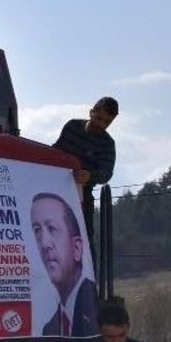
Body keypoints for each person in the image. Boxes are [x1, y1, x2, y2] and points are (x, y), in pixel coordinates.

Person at [53, 97, 118, 254]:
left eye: (107, 122)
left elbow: (106, 173)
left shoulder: (107, 144)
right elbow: (56, 150)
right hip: (55, 187)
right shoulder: (71, 126)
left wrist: (89, 176)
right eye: (99, 118)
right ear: (91, 112)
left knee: (84, 239)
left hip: (83, 195)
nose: (101, 124)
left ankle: (91, 275)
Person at [31, 192, 99, 337]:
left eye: (52, 228)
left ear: (77, 248)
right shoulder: (49, 329)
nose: (44, 244)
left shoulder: (98, 308)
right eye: (37, 231)